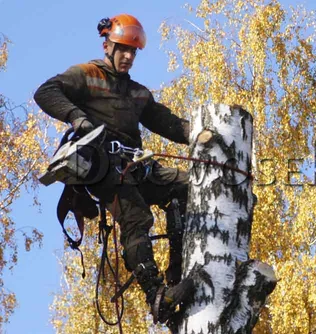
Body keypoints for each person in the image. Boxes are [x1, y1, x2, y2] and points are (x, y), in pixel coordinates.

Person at [34, 13, 194, 323]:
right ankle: (157, 296)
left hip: (136, 165)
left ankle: (178, 274)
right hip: (105, 167)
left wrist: (201, 133)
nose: (129, 56)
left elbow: (167, 122)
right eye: (124, 49)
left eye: (134, 52)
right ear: (108, 45)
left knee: (188, 186)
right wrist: (76, 116)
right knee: (137, 217)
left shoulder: (136, 92)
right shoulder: (87, 74)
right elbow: (46, 92)